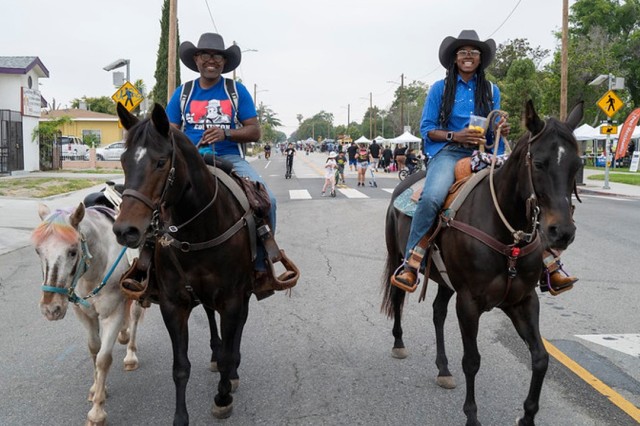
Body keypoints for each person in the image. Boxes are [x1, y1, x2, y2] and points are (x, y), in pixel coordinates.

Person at [391, 29, 577, 295]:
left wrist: (501, 127)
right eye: (463, 52)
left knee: (526, 192)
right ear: (455, 58)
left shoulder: (491, 90)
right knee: (432, 197)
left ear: (480, 59)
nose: (468, 56)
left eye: (473, 52)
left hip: (486, 151)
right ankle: (413, 260)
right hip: (449, 152)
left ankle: (549, 263)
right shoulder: (439, 89)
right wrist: (456, 134)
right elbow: (427, 128)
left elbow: (493, 130)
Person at [165, 32, 280, 297]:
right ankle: (147, 267)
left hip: (229, 158)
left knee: (268, 200)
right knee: (154, 199)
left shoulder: (235, 91)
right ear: (196, 59)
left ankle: (262, 265)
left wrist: (226, 133)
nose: (212, 60)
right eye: (206, 54)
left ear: (224, 62)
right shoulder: (183, 93)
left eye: (218, 56)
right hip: (189, 160)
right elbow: (169, 131)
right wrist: (182, 147)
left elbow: (254, 131)